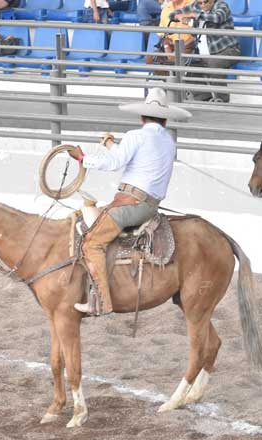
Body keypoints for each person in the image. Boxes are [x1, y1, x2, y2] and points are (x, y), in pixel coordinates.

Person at [65, 88, 192, 316]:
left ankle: (102, 302)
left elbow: (114, 164)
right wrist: (111, 144)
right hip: (148, 205)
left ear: (142, 117)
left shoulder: (136, 136)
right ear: (164, 119)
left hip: (131, 205)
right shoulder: (168, 141)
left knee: (91, 242)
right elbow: (132, 154)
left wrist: (83, 158)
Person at [174, 0, 240, 102]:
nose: (203, 5)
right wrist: (178, 16)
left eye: (206, 2)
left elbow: (218, 17)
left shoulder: (221, 5)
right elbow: (175, 13)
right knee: (189, 66)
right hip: (204, 53)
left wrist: (195, 15)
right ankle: (204, 98)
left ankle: (222, 100)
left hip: (227, 50)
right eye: (200, 3)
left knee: (214, 63)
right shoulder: (195, 5)